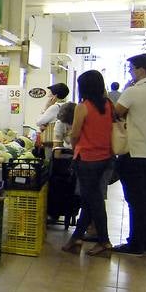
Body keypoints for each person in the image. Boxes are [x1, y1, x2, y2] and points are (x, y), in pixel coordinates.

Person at [113, 53, 146, 255]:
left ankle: (135, 243)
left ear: (141, 70)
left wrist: (126, 89)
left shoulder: (133, 92)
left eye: (131, 69)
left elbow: (115, 113)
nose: (130, 73)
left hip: (133, 152)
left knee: (135, 200)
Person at [63, 70, 114, 257]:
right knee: (89, 199)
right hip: (106, 158)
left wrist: (76, 147)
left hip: (87, 159)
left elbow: (75, 134)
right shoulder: (109, 105)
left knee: (94, 200)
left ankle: (104, 241)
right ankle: (76, 238)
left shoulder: (83, 107)